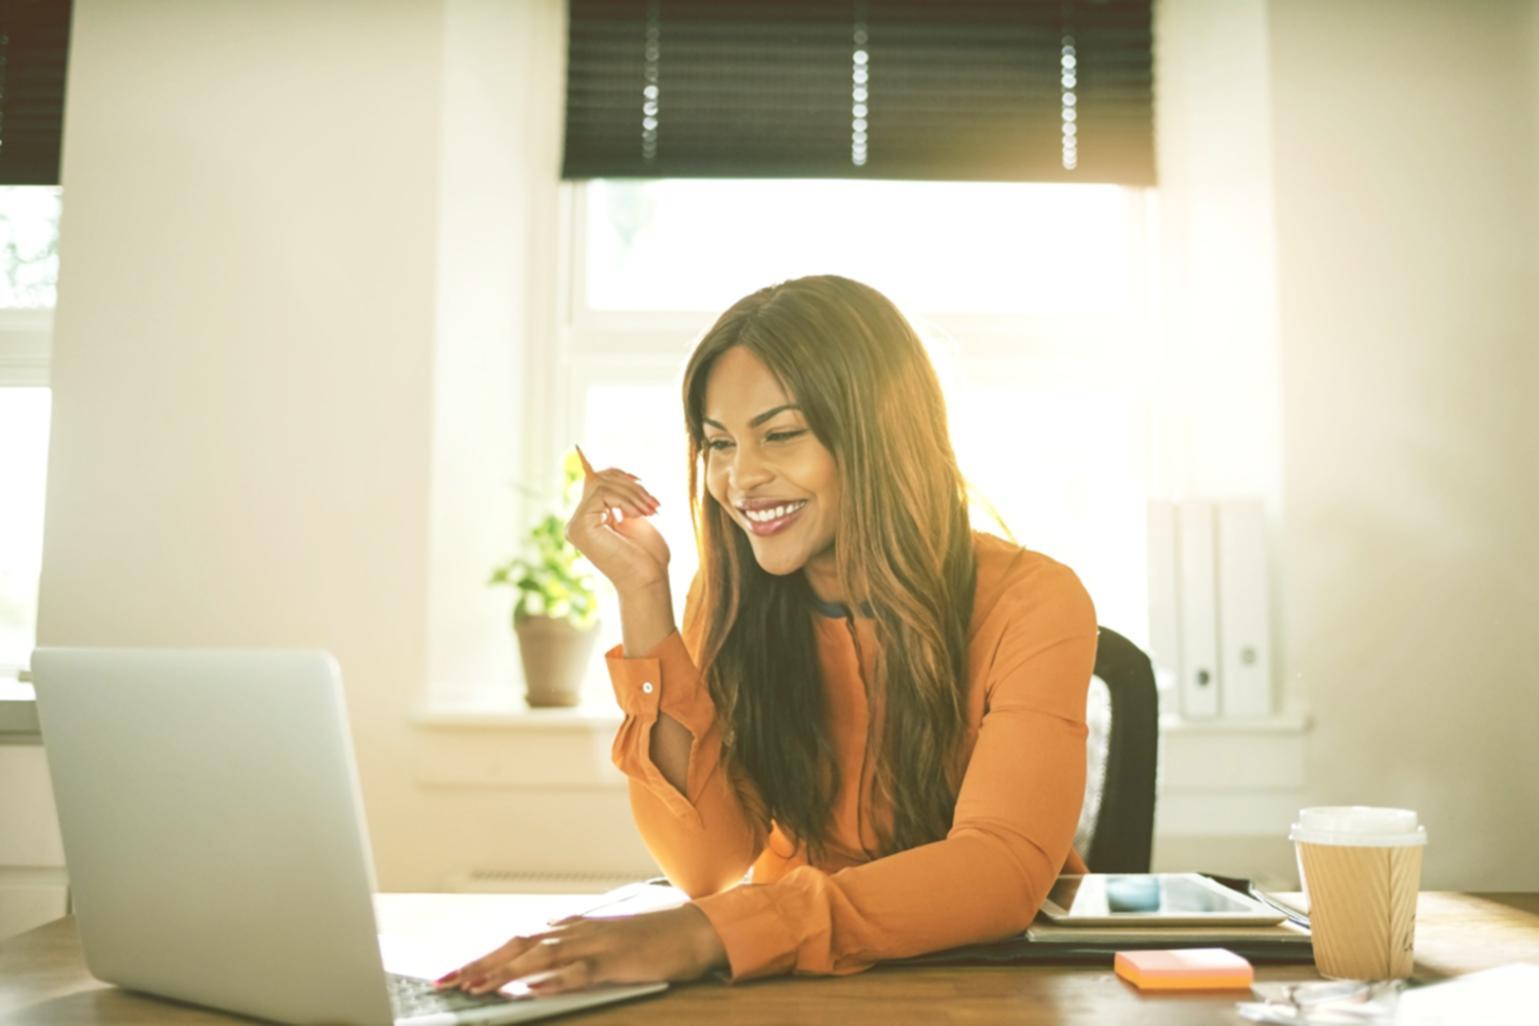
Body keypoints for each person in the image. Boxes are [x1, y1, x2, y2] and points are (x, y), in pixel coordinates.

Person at [440, 275, 1097, 997]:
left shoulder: (1033, 600)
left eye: (779, 435)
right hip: (788, 983)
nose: (739, 478)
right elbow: (706, 865)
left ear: (880, 433)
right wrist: (643, 597)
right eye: (718, 444)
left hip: (984, 988)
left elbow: (997, 869)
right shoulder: (726, 599)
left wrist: (710, 933)